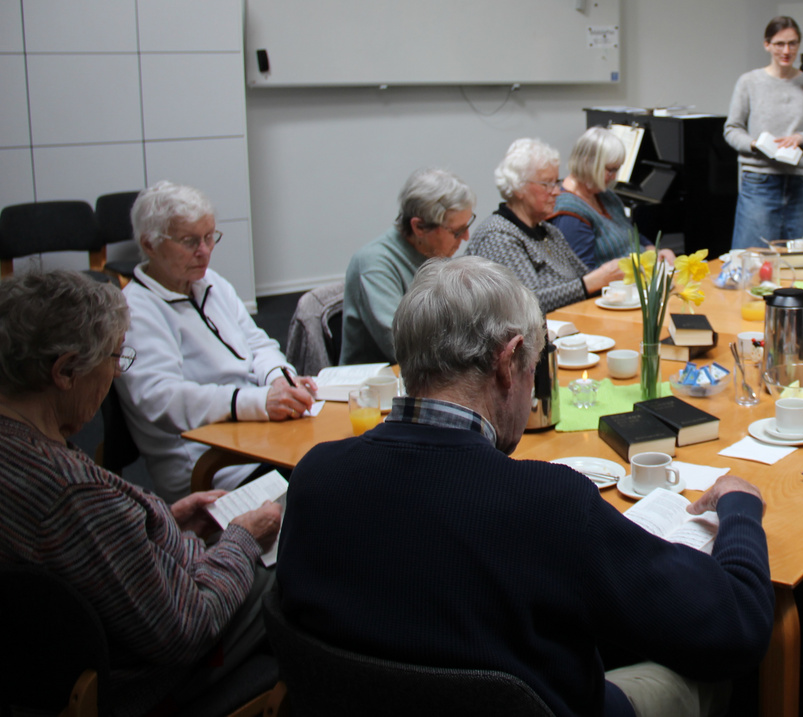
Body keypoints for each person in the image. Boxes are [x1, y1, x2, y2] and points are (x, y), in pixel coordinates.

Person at [277, 256, 774, 717]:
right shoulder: (547, 503)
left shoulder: (315, 474)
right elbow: (737, 627)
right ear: (508, 361)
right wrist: (740, 509)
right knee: (700, 676)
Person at [0, 271, 282, 717]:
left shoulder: (19, 447)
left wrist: (165, 520)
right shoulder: (71, 493)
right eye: (114, 358)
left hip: (50, 663)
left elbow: (94, 549)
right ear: (65, 371)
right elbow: (188, 627)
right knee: (295, 569)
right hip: (150, 675)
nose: (115, 373)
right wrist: (243, 538)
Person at [116, 181, 317, 502]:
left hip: (258, 435)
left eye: (210, 237)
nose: (205, 250)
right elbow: (161, 400)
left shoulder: (209, 282)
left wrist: (279, 380)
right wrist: (256, 402)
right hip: (212, 464)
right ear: (149, 244)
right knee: (331, 483)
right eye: (189, 241)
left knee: (343, 458)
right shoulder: (135, 311)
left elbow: (258, 343)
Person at [464, 137, 624, 311]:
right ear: (519, 188)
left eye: (556, 182)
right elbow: (527, 304)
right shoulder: (498, 236)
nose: (556, 191)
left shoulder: (548, 231)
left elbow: (584, 276)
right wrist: (589, 283)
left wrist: (606, 276)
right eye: (547, 184)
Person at [341, 167, 475, 364]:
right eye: (457, 231)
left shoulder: (438, 254)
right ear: (419, 227)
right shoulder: (374, 264)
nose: (466, 237)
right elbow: (403, 347)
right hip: (377, 387)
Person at [724, 16, 803, 251]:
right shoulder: (749, 82)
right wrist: (755, 144)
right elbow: (732, 129)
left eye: (792, 44)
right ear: (767, 45)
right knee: (751, 258)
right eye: (779, 44)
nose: (786, 50)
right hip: (759, 181)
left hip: (802, 181)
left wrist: (801, 138)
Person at [549, 126, 675, 270]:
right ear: (586, 163)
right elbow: (584, 277)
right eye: (611, 170)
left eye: (617, 169)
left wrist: (655, 251)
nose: (614, 177)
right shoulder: (569, 216)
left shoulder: (605, 195)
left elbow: (628, 234)